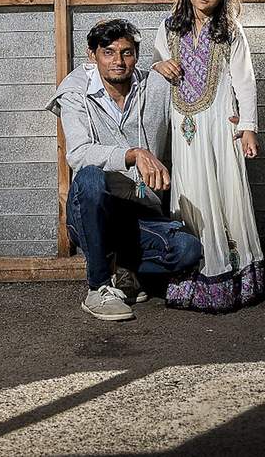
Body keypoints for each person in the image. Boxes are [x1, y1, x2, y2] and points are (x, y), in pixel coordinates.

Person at [47, 18, 203, 321]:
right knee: (90, 175)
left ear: (137, 55)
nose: (118, 61)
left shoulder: (154, 85)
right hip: (95, 211)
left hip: (139, 212)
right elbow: (78, 153)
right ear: (92, 55)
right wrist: (132, 154)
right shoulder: (75, 94)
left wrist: (239, 121)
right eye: (108, 52)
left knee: (188, 250)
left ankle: (124, 267)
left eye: (127, 53)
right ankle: (99, 287)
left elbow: (196, 110)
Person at [151, 0, 265, 312]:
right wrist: (158, 64)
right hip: (184, 130)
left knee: (223, 193)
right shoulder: (169, 27)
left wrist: (248, 127)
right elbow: (156, 62)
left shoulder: (230, 30)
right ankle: (191, 278)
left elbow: (245, 81)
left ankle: (229, 278)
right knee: (191, 195)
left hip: (220, 127)